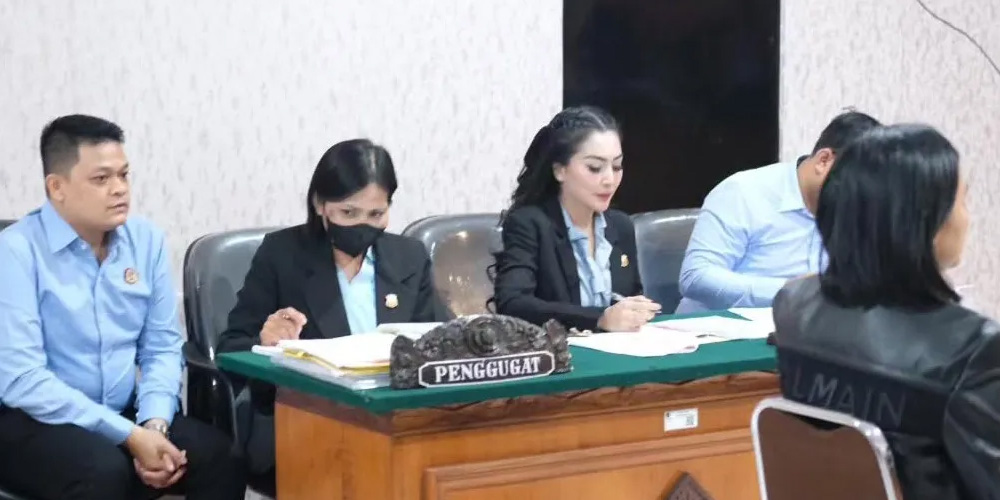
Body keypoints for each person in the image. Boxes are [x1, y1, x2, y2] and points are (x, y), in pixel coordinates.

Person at [0, 115, 245, 500]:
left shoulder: (145, 241)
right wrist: (130, 436)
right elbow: (23, 379)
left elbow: (161, 347)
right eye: (101, 179)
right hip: (34, 420)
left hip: (123, 413)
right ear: (57, 187)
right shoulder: (15, 251)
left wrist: (155, 425)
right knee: (103, 472)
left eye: (124, 175)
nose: (119, 189)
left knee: (220, 456)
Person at [772, 124, 999, 500]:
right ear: (924, 222)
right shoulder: (972, 349)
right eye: (962, 202)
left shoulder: (794, 307)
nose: (967, 218)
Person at [217, 138, 451, 480]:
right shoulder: (282, 255)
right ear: (320, 204)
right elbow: (231, 348)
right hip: (310, 422)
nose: (362, 225)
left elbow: (440, 343)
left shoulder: (409, 257)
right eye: (348, 213)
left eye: (376, 214)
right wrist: (264, 341)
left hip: (398, 422)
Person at [676, 110, 881, 313]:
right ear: (824, 160)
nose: (859, 196)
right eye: (856, 184)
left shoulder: (859, 210)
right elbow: (696, 277)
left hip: (805, 329)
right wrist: (789, 290)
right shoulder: (743, 191)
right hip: (713, 329)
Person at [492, 106, 660, 332]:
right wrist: (599, 319)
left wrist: (636, 311)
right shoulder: (529, 224)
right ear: (560, 170)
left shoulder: (621, 226)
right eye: (595, 168)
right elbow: (513, 304)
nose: (610, 179)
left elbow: (630, 295)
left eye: (617, 166)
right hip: (557, 349)